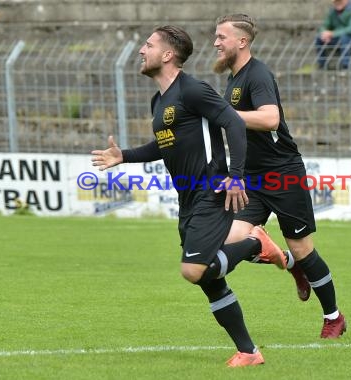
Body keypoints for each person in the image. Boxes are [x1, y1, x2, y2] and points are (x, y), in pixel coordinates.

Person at [91, 25, 286, 367]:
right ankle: (249, 352)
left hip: (211, 192)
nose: (141, 50)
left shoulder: (193, 90)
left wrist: (236, 178)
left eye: (148, 45)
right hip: (188, 198)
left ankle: (256, 243)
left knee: (193, 270)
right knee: (211, 282)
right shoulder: (160, 99)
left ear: (167, 55)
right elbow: (165, 144)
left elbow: (235, 124)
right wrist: (125, 155)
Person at [213, 14, 347, 339]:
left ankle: (333, 317)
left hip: (283, 174)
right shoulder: (233, 80)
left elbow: (271, 118)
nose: (216, 43)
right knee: (229, 240)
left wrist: (225, 115)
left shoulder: (257, 74)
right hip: (253, 179)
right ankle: (288, 263)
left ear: (241, 42)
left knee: (304, 248)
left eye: (222, 37)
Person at [315, 0, 351, 69]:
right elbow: (325, 25)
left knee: (345, 38)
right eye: (336, 1)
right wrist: (324, 33)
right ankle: (322, 64)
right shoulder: (332, 12)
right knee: (319, 38)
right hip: (336, 37)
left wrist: (332, 34)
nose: (337, 3)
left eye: (340, 1)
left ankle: (345, 65)